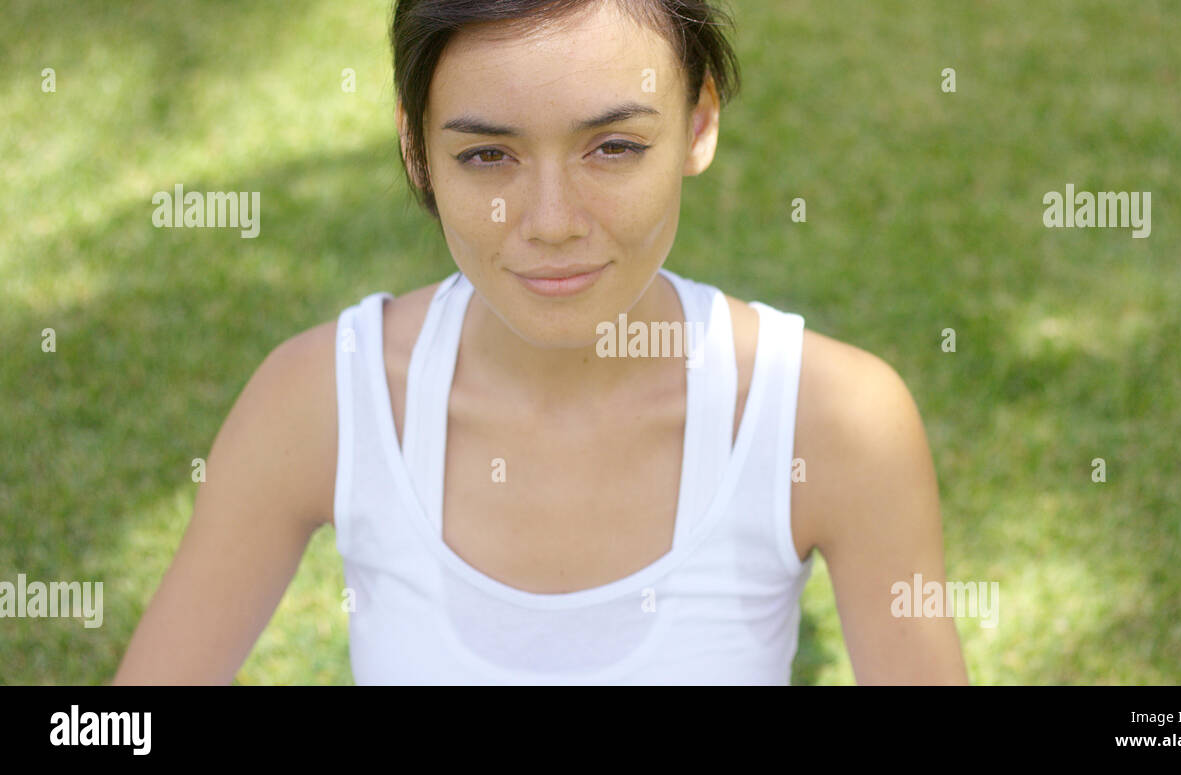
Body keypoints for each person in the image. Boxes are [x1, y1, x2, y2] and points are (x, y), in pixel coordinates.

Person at [113, 0, 968, 685]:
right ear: (417, 153)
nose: (552, 223)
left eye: (615, 147)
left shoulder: (832, 421)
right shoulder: (324, 399)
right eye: (488, 156)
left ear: (699, 125)